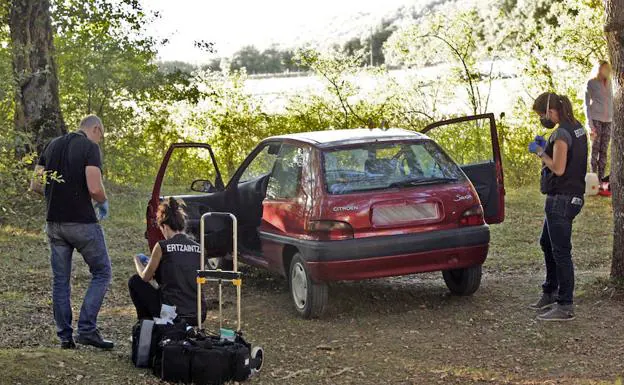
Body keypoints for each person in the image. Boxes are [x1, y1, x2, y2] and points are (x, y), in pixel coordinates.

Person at [31, 115, 114, 349]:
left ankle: (65, 338)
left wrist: (56, 196)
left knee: (60, 280)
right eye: (101, 135)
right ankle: (87, 329)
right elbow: (95, 188)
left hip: (54, 223)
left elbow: (36, 185)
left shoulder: (52, 144)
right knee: (102, 272)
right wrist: (102, 201)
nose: (100, 140)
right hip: (82, 224)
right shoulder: (89, 147)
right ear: (96, 128)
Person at [528, 92, 588, 321]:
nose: (542, 118)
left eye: (542, 114)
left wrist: (541, 152)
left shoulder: (562, 133)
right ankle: (550, 291)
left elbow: (560, 168)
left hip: (562, 199)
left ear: (551, 111)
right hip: (569, 196)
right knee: (547, 243)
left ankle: (565, 304)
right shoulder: (577, 127)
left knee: (561, 252)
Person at [128, 198, 206, 325]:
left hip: (173, 313)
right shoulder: (199, 248)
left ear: (164, 226)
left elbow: (145, 277)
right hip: (198, 313)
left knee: (135, 281)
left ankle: (146, 326)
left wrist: (137, 260)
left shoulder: (162, 246)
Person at [585, 60, 613, 183]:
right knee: (595, 150)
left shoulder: (611, 83)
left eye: (608, 68)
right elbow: (586, 105)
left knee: (604, 150)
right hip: (595, 121)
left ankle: (601, 179)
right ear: (599, 69)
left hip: (609, 121)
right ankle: (593, 179)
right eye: (604, 68)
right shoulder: (591, 83)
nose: (607, 71)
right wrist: (590, 124)